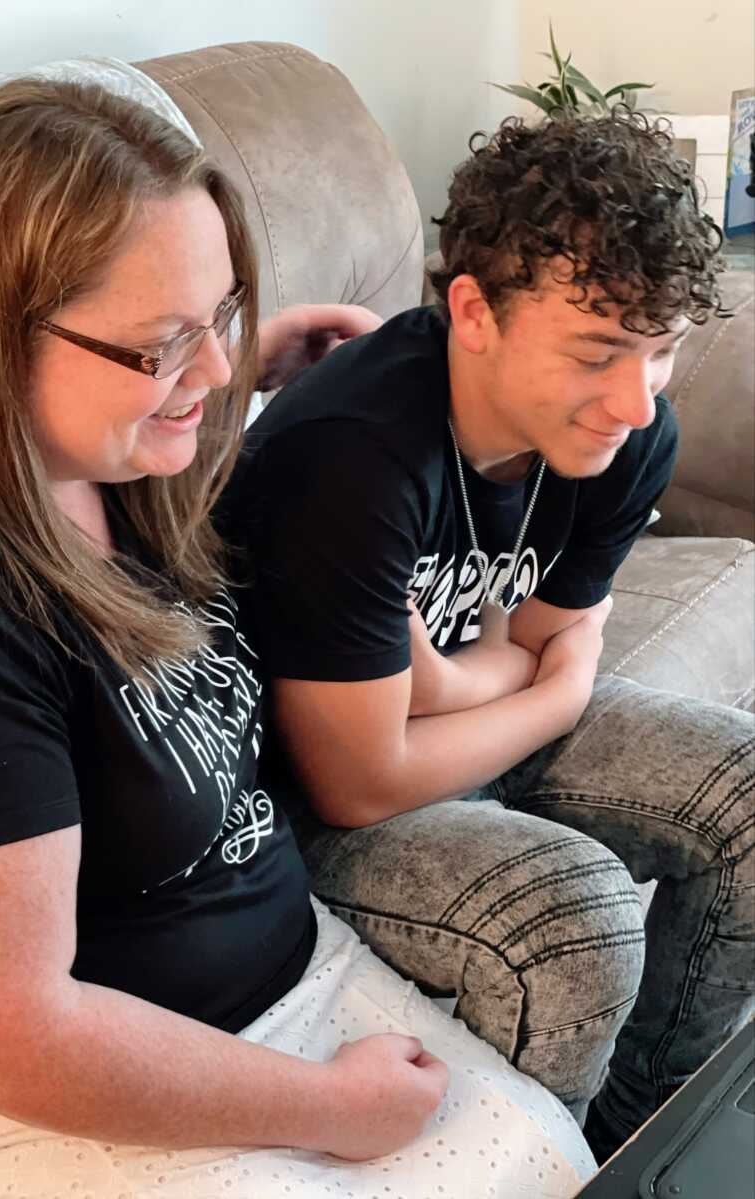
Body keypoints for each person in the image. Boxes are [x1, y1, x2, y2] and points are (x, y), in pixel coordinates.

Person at [0, 77, 598, 1197]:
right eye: (162, 343)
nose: (205, 371)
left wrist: (228, 374)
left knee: (557, 1159)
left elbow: (155, 389)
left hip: (266, 970)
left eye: (223, 312)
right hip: (42, 1084)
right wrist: (331, 1108)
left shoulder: (105, 457)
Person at [225, 110, 755, 1165]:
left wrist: (460, 683)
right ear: (472, 310)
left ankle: (629, 1145)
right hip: (296, 803)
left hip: (439, 728)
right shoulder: (355, 453)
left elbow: (549, 636)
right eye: (598, 350)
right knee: (579, 917)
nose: (633, 400)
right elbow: (357, 782)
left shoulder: (627, 434)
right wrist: (543, 690)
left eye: (660, 351)